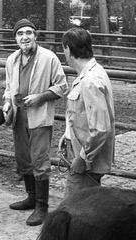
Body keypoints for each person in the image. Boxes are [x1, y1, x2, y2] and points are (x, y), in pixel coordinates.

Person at [2, 19, 68, 226]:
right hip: (18, 116)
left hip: (39, 117)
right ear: (15, 38)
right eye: (20, 33)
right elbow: (8, 87)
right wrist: (6, 102)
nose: (24, 37)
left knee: (39, 160)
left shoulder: (49, 58)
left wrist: (41, 97)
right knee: (23, 158)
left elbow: (62, 86)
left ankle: (42, 207)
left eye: (28, 33)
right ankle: (31, 197)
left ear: (35, 35)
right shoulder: (11, 59)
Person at [58, 27, 115, 198]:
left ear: (68, 49)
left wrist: (83, 158)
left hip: (85, 161)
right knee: (90, 204)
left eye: (63, 49)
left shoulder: (90, 81)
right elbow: (83, 116)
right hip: (81, 152)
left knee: (73, 209)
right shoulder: (90, 74)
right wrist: (67, 134)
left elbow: (100, 128)